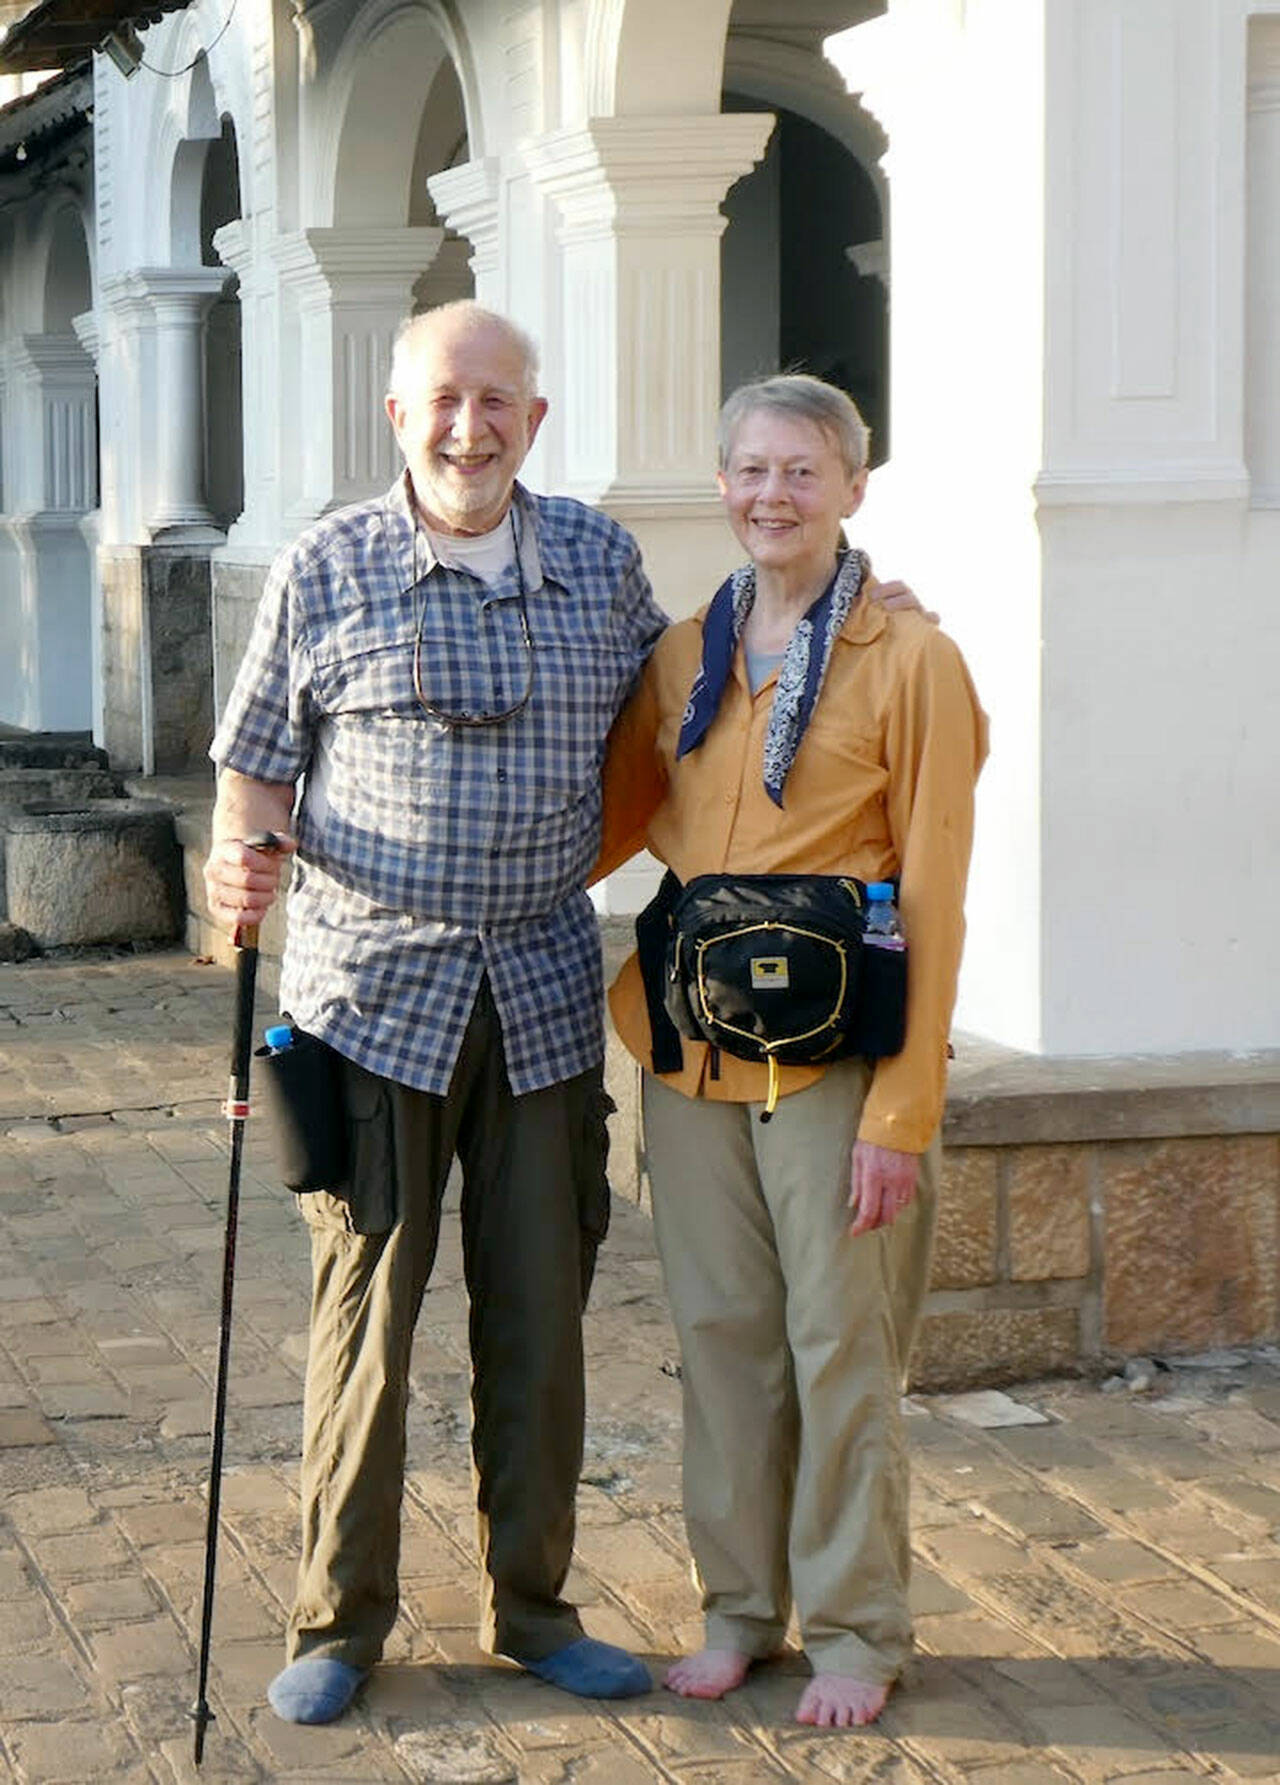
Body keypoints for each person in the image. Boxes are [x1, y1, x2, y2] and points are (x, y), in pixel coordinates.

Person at [206, 303, 923, 1727]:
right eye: (444, 400)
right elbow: (257, 769)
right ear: (399, 416)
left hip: (539, 992)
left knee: (542, 1312)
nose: (471, 425)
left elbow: (703, 680)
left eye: (498, 401)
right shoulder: (325, 565)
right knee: (366, 1322)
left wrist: (867, 612)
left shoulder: (595, 559)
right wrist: (240, 854)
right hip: (368, 1000)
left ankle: (532, 1607)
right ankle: (339, 1615)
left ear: (535, 422)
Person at [596, 374, 988, 1729]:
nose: (775, 495)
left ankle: (860, 1626)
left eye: (803, 472)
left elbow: (933, 886)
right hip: (693, 1052)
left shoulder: (911, 659)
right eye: (753, 470)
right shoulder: (684, 652)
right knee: (721, 1340)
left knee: (841, 1346)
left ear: (853, 488)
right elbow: (614, 819)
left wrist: (904, 1110)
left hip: (838, 1065)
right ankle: (737, 1611)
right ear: (722, 485)